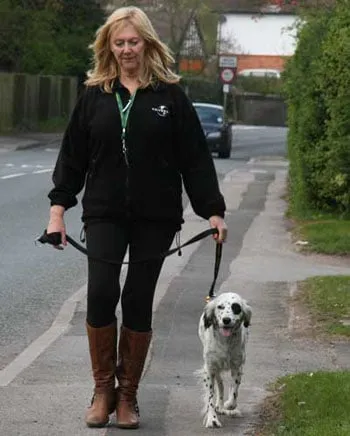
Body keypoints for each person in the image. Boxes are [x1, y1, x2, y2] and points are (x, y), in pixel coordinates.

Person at [45, 5, 227, 430]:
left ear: (147, 44)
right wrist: (58, 212)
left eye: (133, 41)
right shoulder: (95, 95)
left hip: (156, 217)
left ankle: (128, 397)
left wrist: (213, 211)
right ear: (109, 46)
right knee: (102, 292)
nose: (127, 49)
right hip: (104, 213)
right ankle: (102, 390)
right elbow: (71, 159)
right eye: (119, 42)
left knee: (139, 299)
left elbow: (195, 160)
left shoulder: (170, 96)